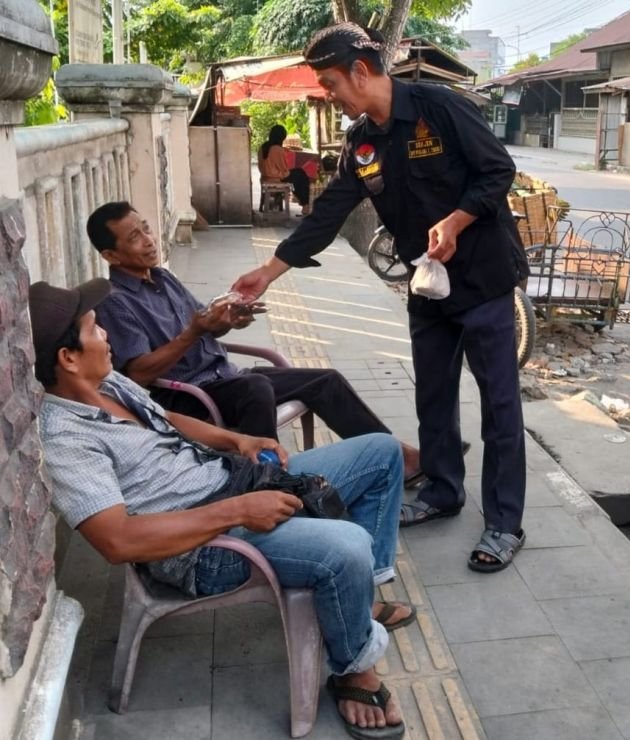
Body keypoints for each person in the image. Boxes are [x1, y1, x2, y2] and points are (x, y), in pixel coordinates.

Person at [29, 278, 409, 739]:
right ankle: (353, 668)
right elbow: (117, 541)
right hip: (203, 547)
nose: (106, 334)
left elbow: (167, 418)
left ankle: (357, 605)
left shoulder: (107, 382)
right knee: (346, 546)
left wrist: (238, 439)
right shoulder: (66, 438)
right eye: (94, 329)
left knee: (382, 452)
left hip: (232, 482)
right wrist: (238, 512)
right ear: (68, 358)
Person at [232, 23, 529, 573]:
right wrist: (270, 271)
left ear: (361, 73)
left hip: (484, 279)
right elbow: (329, 211)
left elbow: (498, 171)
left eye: (330, 83)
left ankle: (505, 522)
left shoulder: (441, 109)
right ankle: (442, 490)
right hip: (428, 284)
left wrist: (458, 219)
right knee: (433, 396)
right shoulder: (362, 142)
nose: (329, 95)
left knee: (500, 404)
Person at [86, 201, 424, 485]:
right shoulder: (116, 301)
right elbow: (139, 374)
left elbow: (204, 325)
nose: (148, 240)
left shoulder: (162, 277)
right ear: (111, 256)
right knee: (256, 388)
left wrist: (228, 319)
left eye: (146, 229)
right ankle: (273, 484)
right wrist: (194, 332)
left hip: (226, 377)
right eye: (134, 237)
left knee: (326, 381)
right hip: (187, 395)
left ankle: (397, 455)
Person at [258, 124, 312, 215]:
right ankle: (305, 204)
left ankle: (304, 203)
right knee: (300, 175)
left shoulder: (263, 147)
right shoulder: (277, 149)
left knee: (298, 176)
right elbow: (284, 168)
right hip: (276, 177)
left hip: (265, 176)